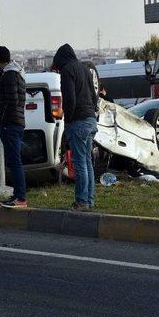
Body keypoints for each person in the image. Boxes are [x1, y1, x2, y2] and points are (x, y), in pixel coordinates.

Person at [52, 44, 98, 211]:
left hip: (78, 123)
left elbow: (69, 99)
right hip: (90, 120)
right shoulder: (85, 69)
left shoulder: (67, 71)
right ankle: (89, 200)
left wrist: (68, 119)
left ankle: (81, 201)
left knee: (80, 164)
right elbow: (94, 97)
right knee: (87, 162)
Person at [0, 46, 28, 208]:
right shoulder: (16, 72)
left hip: (11, 123)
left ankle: (20, 197)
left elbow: (11, 101)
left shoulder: (9, 75)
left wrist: (2, 122)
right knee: (14, 161)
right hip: (16, 121)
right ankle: (17, 195)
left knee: (14, 162)